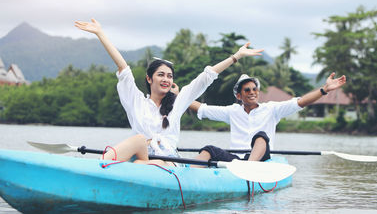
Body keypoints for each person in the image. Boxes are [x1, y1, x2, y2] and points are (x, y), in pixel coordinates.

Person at [75, 18, 263, 166]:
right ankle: (101, 167)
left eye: (169, 76)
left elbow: (206, 77)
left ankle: (136, 166)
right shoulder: (136, 101)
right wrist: (100, 34)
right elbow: (123, 68)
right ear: (149, 79)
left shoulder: (178, 102)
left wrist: (236, 56)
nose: (166, 79)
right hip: (142, 155)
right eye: (161, 75)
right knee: (139, 139)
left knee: (155, 162)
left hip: (168, 162)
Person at [189, 72, 346, 165]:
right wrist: (178, 96)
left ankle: (249, 169)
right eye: (247, 90)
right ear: (239, 96)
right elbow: (203, 108)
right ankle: (186, 176)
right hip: (236, 159)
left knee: (261, 136)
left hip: (260, 161)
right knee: (209, 149)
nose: (252, 92)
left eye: (255, 89)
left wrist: (324, 90)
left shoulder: (272, 109)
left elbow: (301, 102)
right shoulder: (232, 111)